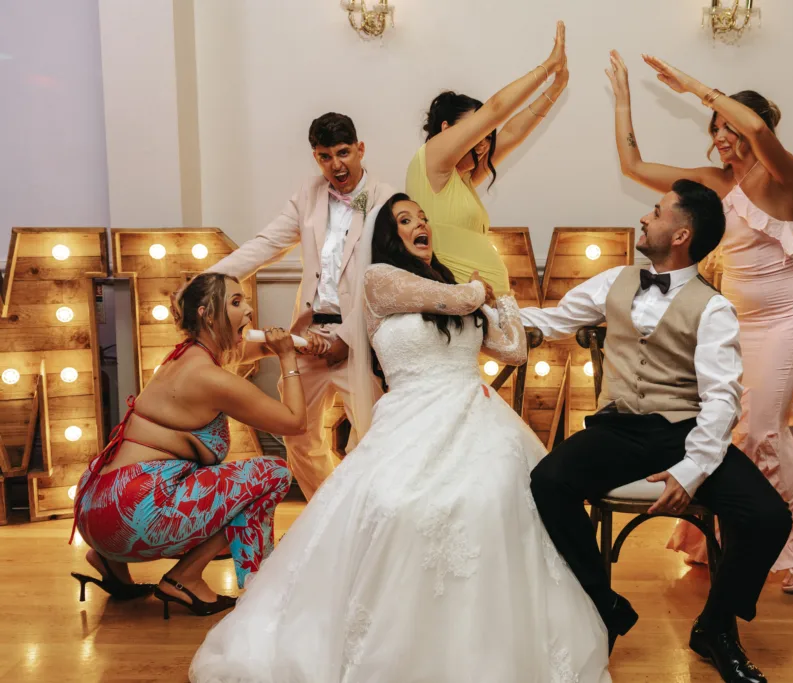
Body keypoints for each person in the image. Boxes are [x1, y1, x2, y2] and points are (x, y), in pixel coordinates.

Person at [187, 194, 610, 683]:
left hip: (476, 417)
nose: (420, 225)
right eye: (406, 220)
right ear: (390, 237)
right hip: (410, 418)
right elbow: (459, 301)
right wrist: (478, 291)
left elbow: (513, 348)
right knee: (396, 506)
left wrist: (505, 298)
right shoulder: (380, 280)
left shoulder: (452, 285)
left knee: (495, 499)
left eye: (423, 218)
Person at [521, 180, 792, 683]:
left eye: (657, 211)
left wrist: (690, 471)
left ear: (681, 233)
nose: (645, 218)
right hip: (618, 430)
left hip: (685, 432)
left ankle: (715, 627)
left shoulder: (713, 308)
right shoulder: (614, 280)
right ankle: (604, 606)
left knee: (768, 517)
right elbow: (552, 320)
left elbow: (720, 401)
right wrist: (479, 309)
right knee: (548, 482)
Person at [605, 51, 793, 593]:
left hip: (786, 317)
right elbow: (633, 167)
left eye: (729, 128)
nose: (723, 137)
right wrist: (623, 103)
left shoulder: (782, 175)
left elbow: (753, 122)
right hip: (737, 321)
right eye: (716, 130)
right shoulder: (711, 182)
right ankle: (713, 540)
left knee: (763, 429)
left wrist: (692, 84)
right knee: (734, 429)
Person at [70, 273, 304, 619]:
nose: (250, 310)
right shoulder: (210, 379)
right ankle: (184, 578)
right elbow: (294, 422)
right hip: (131, 515)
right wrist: (288, 359)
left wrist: (294, 343)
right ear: (207, 314)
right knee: (273, 473)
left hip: (94, 509)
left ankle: (111, 563)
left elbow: (244, 353)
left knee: (192, 479)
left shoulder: (182, 357)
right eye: (237, 302)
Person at [206, 112, 394, 500]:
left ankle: (366, 516)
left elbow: (385, 279)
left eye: (343, 153)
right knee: (298, 435)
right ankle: (329, 514)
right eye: (325, 156)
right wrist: (205, 281)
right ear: (316, 158)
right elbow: (265, 244)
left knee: (373, 437)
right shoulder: (308, 196)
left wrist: (348, 336)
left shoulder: (386, 201)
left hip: (362, 337)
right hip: (308, 335)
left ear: (360, 149)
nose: (336, 165)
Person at [405, 21, 569, 293]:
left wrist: (556, 88)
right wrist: (548, 66)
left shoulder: (464, 178)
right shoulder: (432, 161)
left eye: (486, 135)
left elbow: (513, 133)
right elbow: (496, 109)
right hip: (455, 306)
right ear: (446, 130)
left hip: (488, 306)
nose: (484, 143)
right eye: (475, 132)